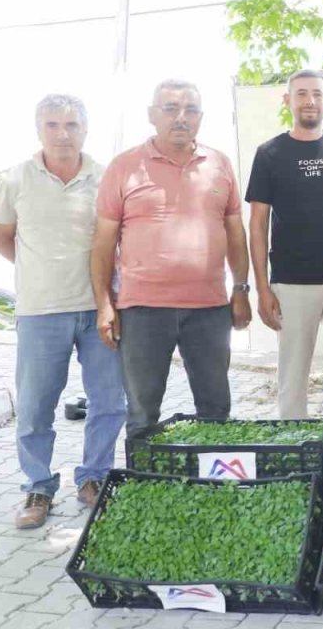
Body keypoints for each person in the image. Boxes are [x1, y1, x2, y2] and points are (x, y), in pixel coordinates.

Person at [0, 95, 126, 529]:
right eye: (52, 124)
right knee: (34, 407)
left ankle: (94, 477)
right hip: (40, 312)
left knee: (109, 402)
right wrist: (41, 270)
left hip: (99, 308)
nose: (62, 132)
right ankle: (38, 485)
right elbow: (1, 238)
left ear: (85, 129)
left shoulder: (105, 177)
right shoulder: (14, 180)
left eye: (71, 124)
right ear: (38, 129)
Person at [91, 79, 251, 439]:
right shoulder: (124, 167)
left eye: (190, 110)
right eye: (171, 109)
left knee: (215, 409)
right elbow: (103, 243)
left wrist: (240, 289)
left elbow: (235, 233)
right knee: (143, 413)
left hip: (209, 310)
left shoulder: (219, 164)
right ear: (152, 115)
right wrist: (104, 304)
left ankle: (214, 488)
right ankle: (143, 489)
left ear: (200, 117)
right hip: (143, 310)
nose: (181, 117)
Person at [245, 69, 323, 418]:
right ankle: (295, 451)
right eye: (302, 93)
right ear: (287, 100)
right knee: (291, 380)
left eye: (317, 94)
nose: (310, 101)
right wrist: (262, 288)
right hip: (290, 285)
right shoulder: (269, 153)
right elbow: (257, 225)